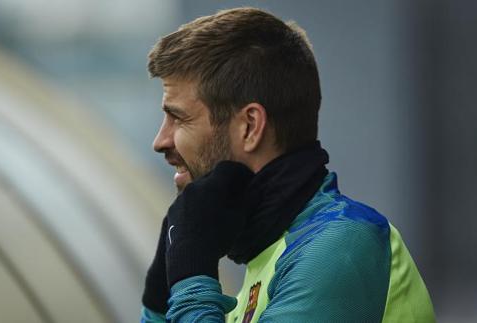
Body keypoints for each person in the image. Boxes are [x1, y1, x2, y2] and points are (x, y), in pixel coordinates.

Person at [140, 7, 435, 323]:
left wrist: (191, 273)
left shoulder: (340, 247)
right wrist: (160, 298)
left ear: (250, 127)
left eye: (178, 117)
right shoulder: (270, 262)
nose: (160, 140)